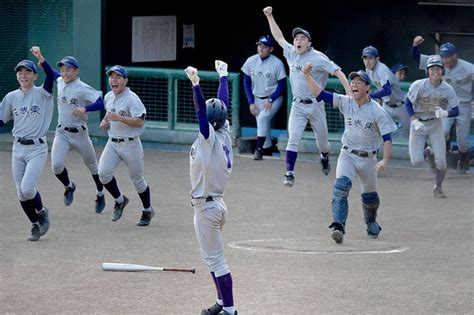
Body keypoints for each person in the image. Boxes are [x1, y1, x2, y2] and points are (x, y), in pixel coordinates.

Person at [303, 64, 397, 244]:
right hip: (347, 155)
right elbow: (320, 94)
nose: (354, 85)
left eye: (359, 82)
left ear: (368, 88)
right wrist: (307, 76)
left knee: (370, 197)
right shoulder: (346, 102)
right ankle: (338, 226)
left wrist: (385, 160)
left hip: (369, 159)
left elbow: (387, 138)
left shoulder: (377, 111)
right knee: (341, 185)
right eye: (352, 81)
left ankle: (370, 221)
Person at [263, 6, 352, 186]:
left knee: (323, 143)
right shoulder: (291, 53)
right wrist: (270, 16)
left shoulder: (318, 57)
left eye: (302, 38)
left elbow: (339, 72)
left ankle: (324, 156)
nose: (298, 40)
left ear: (309, 43)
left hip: (316, 104)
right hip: (297, 105)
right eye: (296, 38)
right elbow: (279, 37)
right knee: (293, 138)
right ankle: (289, 173)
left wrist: (349, 91)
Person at [184, 61, 237, 315]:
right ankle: (221, 303)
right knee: (210, 258)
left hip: (207, 207)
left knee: (217, 260)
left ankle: (230, 310)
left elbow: (201, 112)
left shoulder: (209, 138)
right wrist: (223, 77)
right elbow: (221, 105)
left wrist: (196, 85)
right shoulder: (224, 131)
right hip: (213, 203)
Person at [31, 49, 106, 213]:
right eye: (63, 69)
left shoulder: (82, 87)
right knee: (56, 166)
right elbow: (50, 71)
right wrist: (40, 58)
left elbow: (101, 103)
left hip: (80, 134)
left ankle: (100, 193)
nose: (65, 72)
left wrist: (85, 108)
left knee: (93, 166)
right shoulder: (59, 81)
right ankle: (69, 186)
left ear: (76, 71)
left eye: (69, 69)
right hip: (62, 133)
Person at [0, 48, 54, 241]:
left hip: (37, 148)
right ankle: (35, 225)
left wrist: (40, 57)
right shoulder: (11, 97)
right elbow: (1, 120)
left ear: (34, 75)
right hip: (18, 148)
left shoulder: (43, 93)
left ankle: (41, 211)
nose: (23, 75)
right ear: (16, 76)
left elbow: (51, 76)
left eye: (27, 71)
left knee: (28, 188)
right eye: (20, 72)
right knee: (20, 193)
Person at [98, 65, 155, 226]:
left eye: (117, 77)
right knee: (103, 174)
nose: (113, 80)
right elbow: (110, 116)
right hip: (113, 143)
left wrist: (119, 118)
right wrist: (105, 121)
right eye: (111, 77)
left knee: (137, 180)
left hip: (131, 144)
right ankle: (120, 200)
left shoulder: (132, 98)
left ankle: (147, 210)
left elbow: (139, 121)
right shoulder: (109, 96)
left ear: (125, 80)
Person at [411, 36, 473, 173]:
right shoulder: (437, 62)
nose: (445, 60)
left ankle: (463, 162)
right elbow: (417, 58)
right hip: (444, 104)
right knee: (443, 131)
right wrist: (415, 46)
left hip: (463, 105)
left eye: (448, 57)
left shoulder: (468, 68)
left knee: (462, 141)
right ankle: (436, 159)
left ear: (455, 56)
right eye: (443, 56)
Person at [405, 56, 459, 198]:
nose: (435, 71)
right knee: (416, 161)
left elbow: (456, 110)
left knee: (441, 161)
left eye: (438, 68)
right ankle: (428, 151)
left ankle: (438, 187)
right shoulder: (419, 85)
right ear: (427, 71)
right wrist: (414, 120)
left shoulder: (447, 89)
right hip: (418, 123)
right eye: (432, 68)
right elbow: (408, 104)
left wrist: (445, 112)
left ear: (442, 71)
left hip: (435, 124)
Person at [241, 34, 287, 160]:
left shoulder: (277, 63)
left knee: (262, 118)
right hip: (257, 98)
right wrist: (251, 102)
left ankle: (258, 149)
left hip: (274, 98)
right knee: (263, 125)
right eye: (259, 45)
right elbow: (246, 82)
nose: (261, 48)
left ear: (271, 49)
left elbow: (282, 85)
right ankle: (267, 150)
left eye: (265, 46)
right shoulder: (251, 61)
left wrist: (271, 99)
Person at [362, 46, 411, 139]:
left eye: (370, 58)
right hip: (387, 106)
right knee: (381, 132)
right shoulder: (368, 70)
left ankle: (427, 149)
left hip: (401, 105)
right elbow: (372, 85)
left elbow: (387, 90)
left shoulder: (381, 69)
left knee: (411, 134)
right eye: (365, 58)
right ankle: (377, 153)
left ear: (377, 59)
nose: (367, 61)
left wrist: (370, 95)